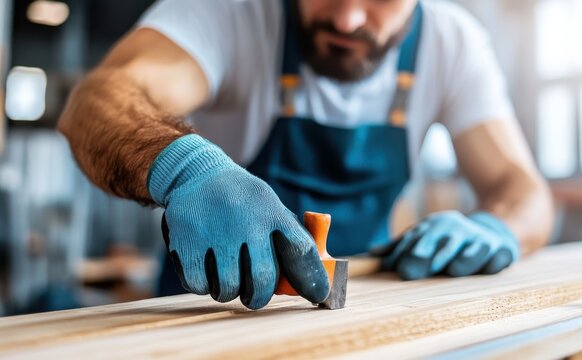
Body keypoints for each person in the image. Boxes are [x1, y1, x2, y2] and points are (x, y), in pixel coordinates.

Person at [58, 0, 554, 310]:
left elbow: (524, 191)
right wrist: (185, 166)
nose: (347, 18)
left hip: (361, 324)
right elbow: (94, 103)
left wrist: (499, 227)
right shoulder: (230, 13)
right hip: (207, 322)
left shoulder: (452, 43)